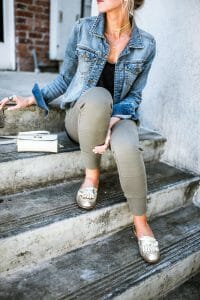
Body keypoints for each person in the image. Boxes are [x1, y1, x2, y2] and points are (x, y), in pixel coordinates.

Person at [0, 0, 160, 263]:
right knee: (98, 96)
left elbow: (135, 96)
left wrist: (115, 119)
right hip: (82, 116)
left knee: (129, 146)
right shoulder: (83, 28)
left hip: (119, 116)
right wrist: (31, 98)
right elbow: (66, 78)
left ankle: (141, 222)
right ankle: (92, 177)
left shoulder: (147, 44)